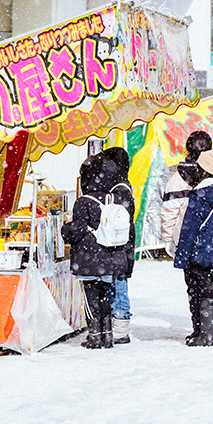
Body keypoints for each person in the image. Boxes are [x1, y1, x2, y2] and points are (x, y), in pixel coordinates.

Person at [62, 155, 130, 349]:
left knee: (91, 299)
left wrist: (65, 229)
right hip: (110, 258)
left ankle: (94, 336)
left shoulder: (83, 202)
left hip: (89, 260)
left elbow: (77, 230)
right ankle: (108, 336)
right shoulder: (115, 198)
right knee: (106, 297)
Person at [173, 148, 213, 347]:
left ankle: (203, 332)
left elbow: (189, 228)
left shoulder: (199, 194)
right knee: (210, 285)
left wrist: (182, 255)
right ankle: (210, 331)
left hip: (198, 249)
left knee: (197, 288)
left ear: (203, 169)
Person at [97, 146, 137, 344]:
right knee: (117, 285)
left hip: (120, 247)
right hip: (123, 247)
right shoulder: (122, 186)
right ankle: (117, 324)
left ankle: (121, 327)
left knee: (119, 287)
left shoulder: (119, 190)